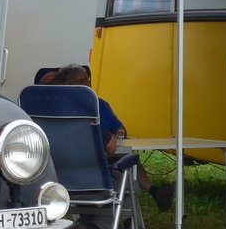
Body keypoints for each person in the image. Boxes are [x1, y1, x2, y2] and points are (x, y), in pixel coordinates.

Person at [49, 64, 174, 211]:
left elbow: (120, 128)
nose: (87, 84)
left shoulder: (95, 105)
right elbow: (110, 146)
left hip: (60, 177)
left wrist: (118, 134)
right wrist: (108, 138)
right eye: (81, 81)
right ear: (67, 85)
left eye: (87, 79)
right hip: (95, 167)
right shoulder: (82, 114)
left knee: (128, 162)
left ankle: (153, 191)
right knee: (129, 183)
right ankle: (103, 222)